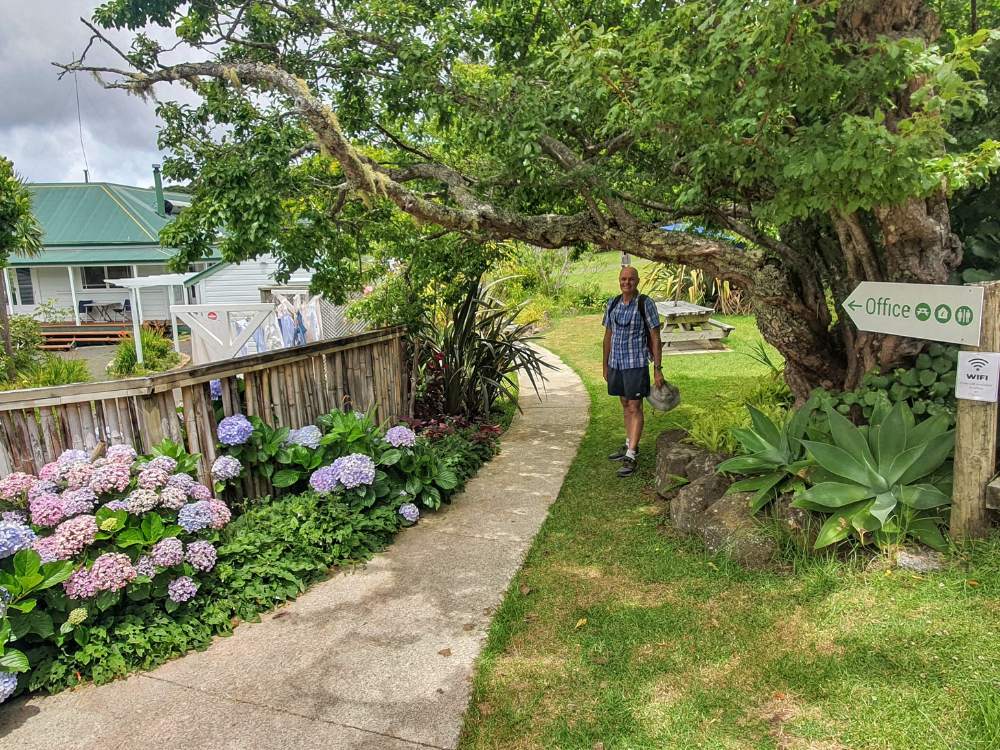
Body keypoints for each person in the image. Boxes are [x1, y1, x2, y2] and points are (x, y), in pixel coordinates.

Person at [602, 265, 663, 477]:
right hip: (617, 363)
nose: (626, 282)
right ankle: (629, 443)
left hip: (636, 363)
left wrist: (657, 369)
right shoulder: (612, 303)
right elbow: (608, 336)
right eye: (623, 279)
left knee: (635, 406)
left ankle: (632, 453)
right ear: (619, 281)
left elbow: (655, 337)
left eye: (631, 279)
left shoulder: (645, 304)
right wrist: (605, 365)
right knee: (625, 404)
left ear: (637, 281)